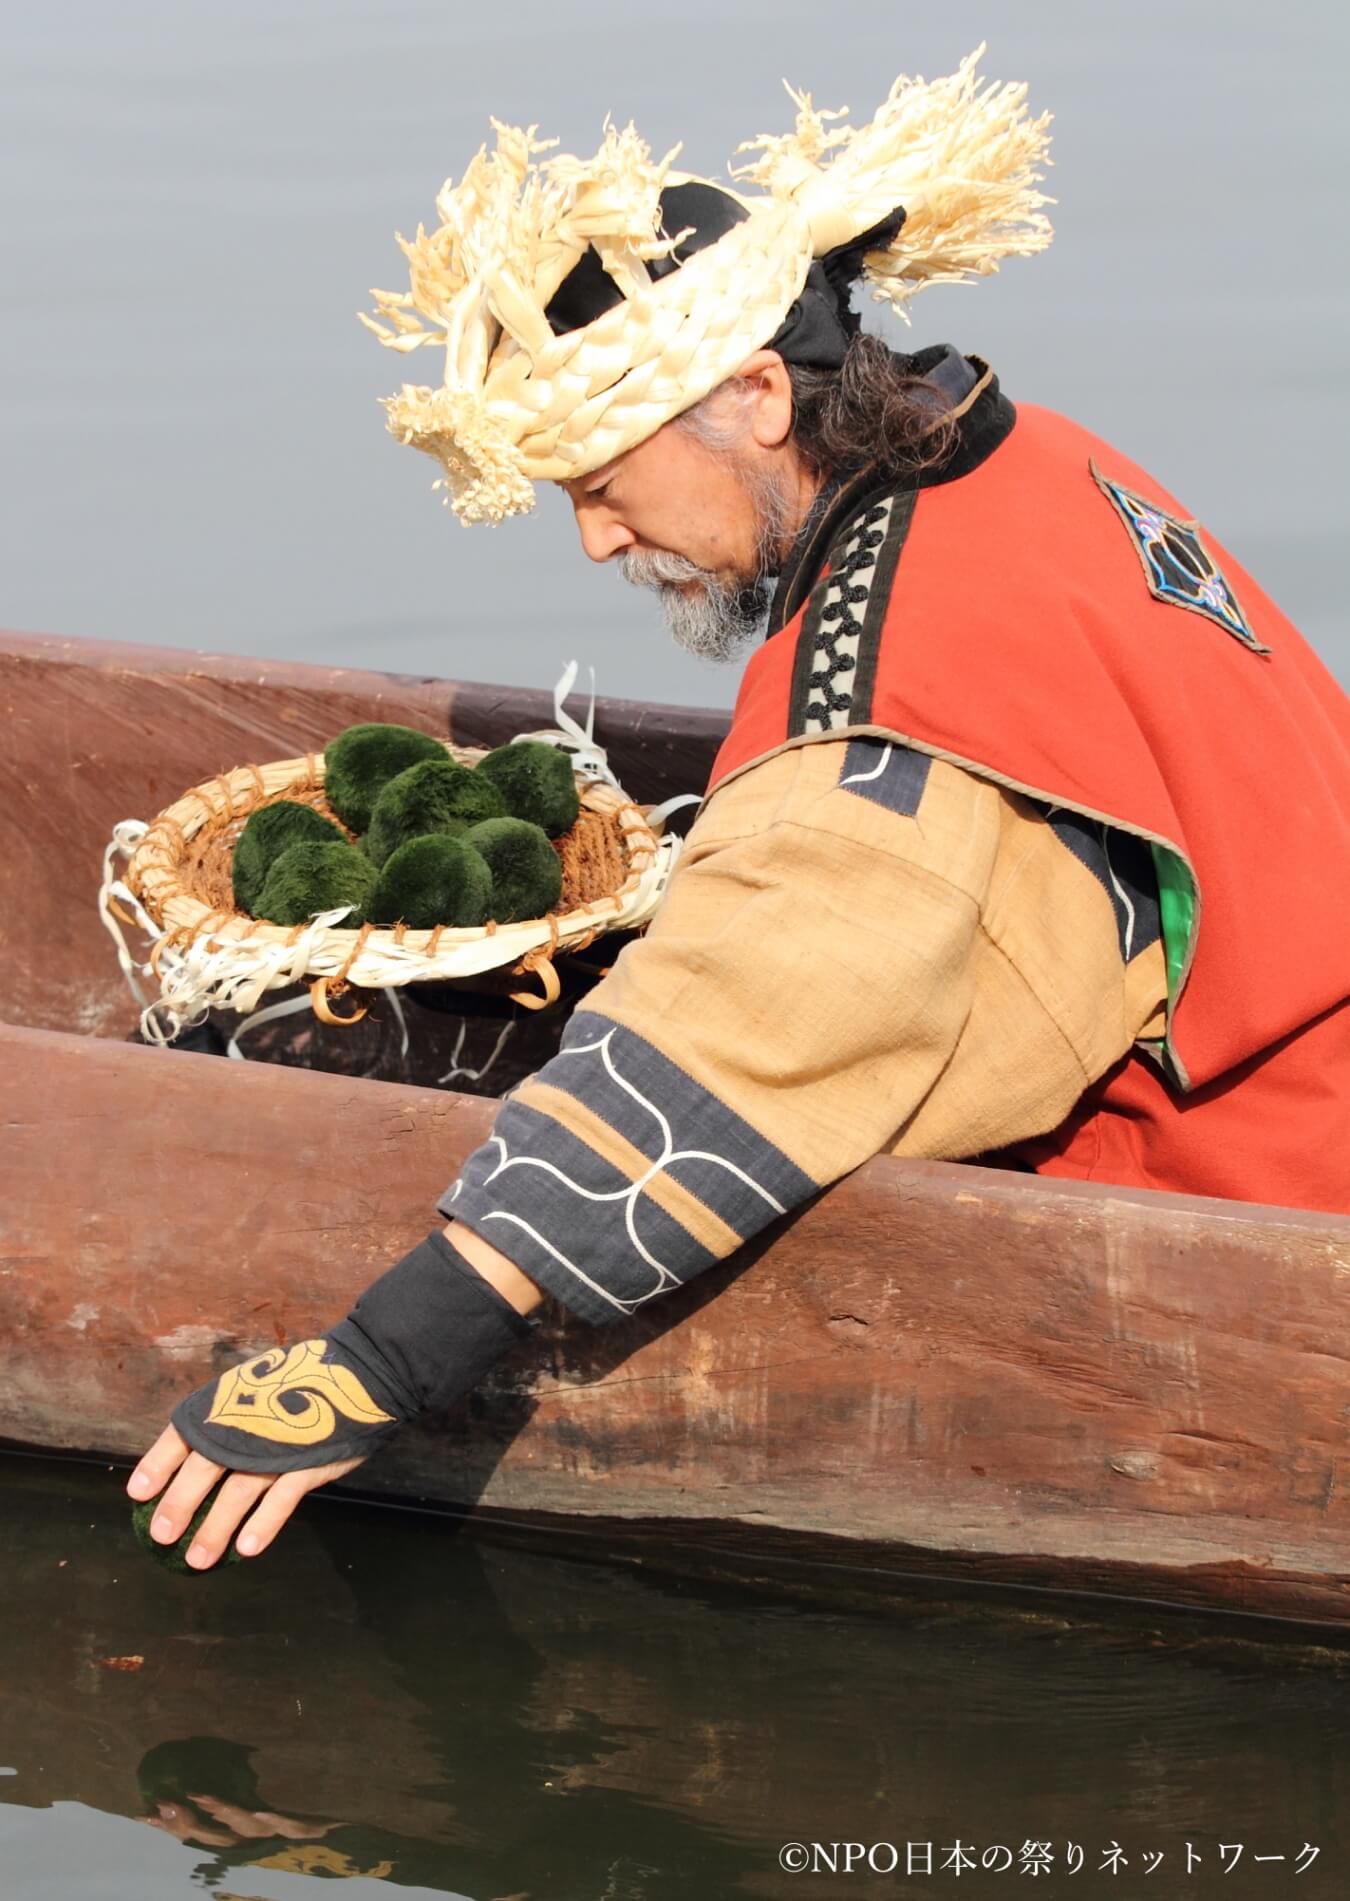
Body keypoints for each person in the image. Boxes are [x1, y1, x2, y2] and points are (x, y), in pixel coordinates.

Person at [127, 50, 1350, 1567]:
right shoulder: (1021, 451)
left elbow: (756, 1012)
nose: (591, 539)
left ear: (758, 393)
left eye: (603, 479)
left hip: (1246, 1210)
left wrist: (378, 1357)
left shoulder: (877, 694)